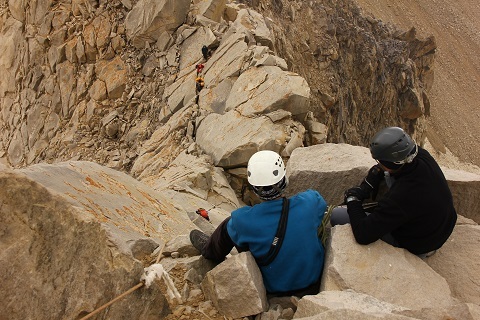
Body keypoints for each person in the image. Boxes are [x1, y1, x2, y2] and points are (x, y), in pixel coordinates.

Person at [190, 150, 327, 297]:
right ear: (283, 180)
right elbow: (321, 205)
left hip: (275, 289)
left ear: (254, 187)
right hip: (313, 283)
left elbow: (237, 226)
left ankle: (208, 248)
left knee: (229, 228)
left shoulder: (241, 220)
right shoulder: (310, 202)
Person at [331, 126, 457, 258]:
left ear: (392, 163)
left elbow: (363, 234)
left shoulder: (403, 195)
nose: (378, 164)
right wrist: (373, 178)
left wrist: (353, 200)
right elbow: (387, 169)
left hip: (418, 244)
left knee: (336, 215)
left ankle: (415, 254)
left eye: (380, 161)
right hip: (439, 229)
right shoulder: (418, 154)